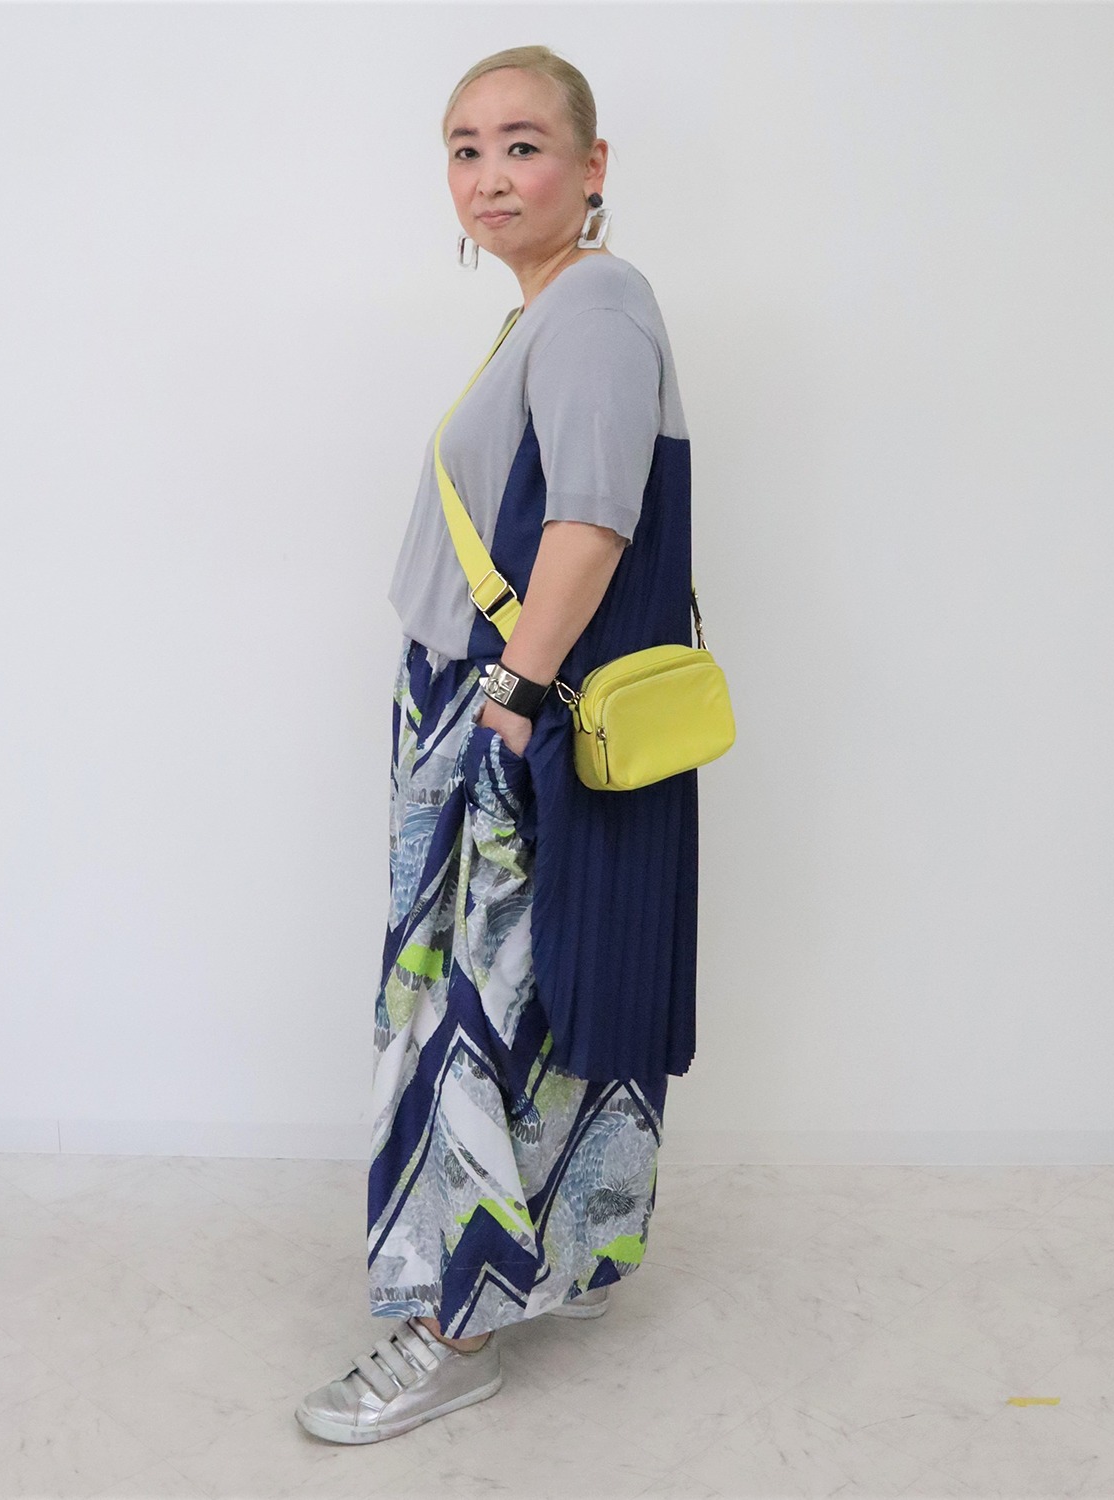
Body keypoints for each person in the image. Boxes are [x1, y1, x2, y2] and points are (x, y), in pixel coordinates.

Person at [296, 44, 700, 1445]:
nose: (488, 176)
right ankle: (552, 1258)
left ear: (592, 167)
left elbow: (592, 521)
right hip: (487, 693)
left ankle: (451, 1327)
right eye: (465, 149)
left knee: (464, 1014)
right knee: (526, 995)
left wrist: (511, 698)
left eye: (523, 144)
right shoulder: (558, 310)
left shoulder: (593, 306)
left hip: (500, 702)